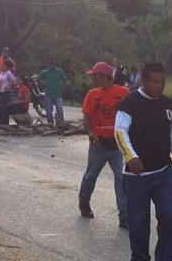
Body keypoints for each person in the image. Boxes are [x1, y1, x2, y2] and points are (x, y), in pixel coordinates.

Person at [115, 62, 172, 261]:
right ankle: (139, 257)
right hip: (136, 177)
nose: (159, 86)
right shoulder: (129, 103)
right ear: (142, 80)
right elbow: (120, 131)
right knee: (138, 223)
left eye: (162, 81)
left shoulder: (169, 105)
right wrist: (131, 156)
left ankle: (167, 257)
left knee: (170, 218)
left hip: (163, 173)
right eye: (154, 82)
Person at [77, 62, 130, 229]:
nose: (92, 78)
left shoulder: (123, 93)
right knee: (90, 176)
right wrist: (90, 133)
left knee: (121, 179)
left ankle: (124, 215)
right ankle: (84, 203)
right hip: (98, 143)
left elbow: (130, 115)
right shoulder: (92, 95)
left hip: (117, 145)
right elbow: (86, 118)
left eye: (94, 75)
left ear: (103, 76)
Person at [38, 57, 67, 127]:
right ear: (48, 64)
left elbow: (65, 79)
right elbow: (39, 79)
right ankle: (50, 124)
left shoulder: (59, 71)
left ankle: (61, 123)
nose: (52, 65)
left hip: (58, 93)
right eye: (51, 63)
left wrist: (62, 88)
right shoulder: (44, 72)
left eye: (54, 63)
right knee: (48, 111)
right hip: (48, 94)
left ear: (56, 64)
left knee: (59, 109)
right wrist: (44, 84)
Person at [0, 60, 17, 125]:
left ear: (7, 67)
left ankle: (4, 124)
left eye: (3, 65)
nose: (1, 66)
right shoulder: (2, 73)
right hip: (0, 93)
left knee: (4, 110)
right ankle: (0, 124)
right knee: (0, 109)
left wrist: (9, 88)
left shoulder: (8, 73)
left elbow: (14, 81)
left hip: (4, 93)